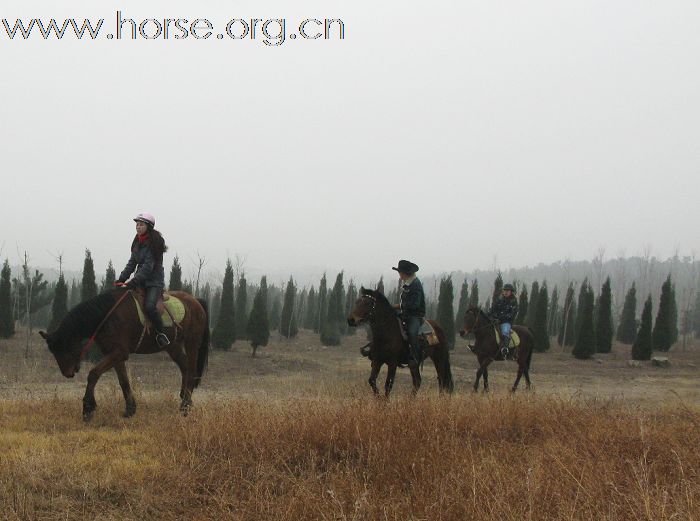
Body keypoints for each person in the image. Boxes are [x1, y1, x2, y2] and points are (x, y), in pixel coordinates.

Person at [115, 212, 170, 347]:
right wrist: (121, 279)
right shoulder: (137, 242)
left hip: (154, 282)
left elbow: (148, 267)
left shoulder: (154, 243)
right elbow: (132, 263)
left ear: (148, 226)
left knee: (150, 307)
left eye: (141, 225)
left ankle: (161, 334)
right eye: (137, 225)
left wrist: (133, 281)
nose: (137, 227)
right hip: (140, 280)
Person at [392, 260, 425, 367]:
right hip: (405, 314)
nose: (400, 276)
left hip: (415, 316)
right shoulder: (408, 283)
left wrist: (399, 306)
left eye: (400, 273)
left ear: (406, 273)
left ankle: (414, 357)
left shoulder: (415, 285)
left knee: (412, 333)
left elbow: (415, 304)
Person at [489, 283, 519, 358]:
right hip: (495, 320)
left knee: (505, 331)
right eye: (504, 290)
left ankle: (505, 349)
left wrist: (500, 318)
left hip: (506, 322)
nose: (505, 292)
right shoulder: (499, 300)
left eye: (507, 290)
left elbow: (512, 314)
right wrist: (490, 315)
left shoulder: (514, 302)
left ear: (511, 292)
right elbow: (493, 309)